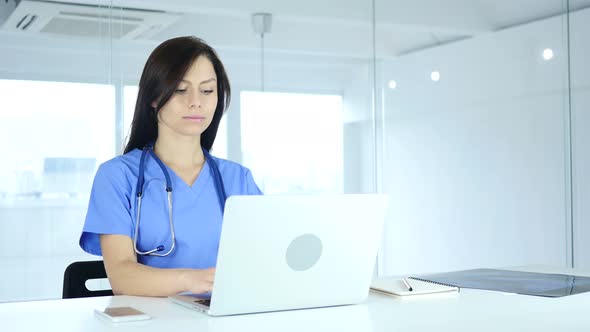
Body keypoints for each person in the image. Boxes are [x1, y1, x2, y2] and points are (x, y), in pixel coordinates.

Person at [79, 36, 262, 297]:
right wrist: (193, 280)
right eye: (180, 89)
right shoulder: (118, 176)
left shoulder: (238, 179)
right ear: (154, 97)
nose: (196, 101)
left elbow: (264, 259)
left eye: (207, 90)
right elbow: (122, 276)